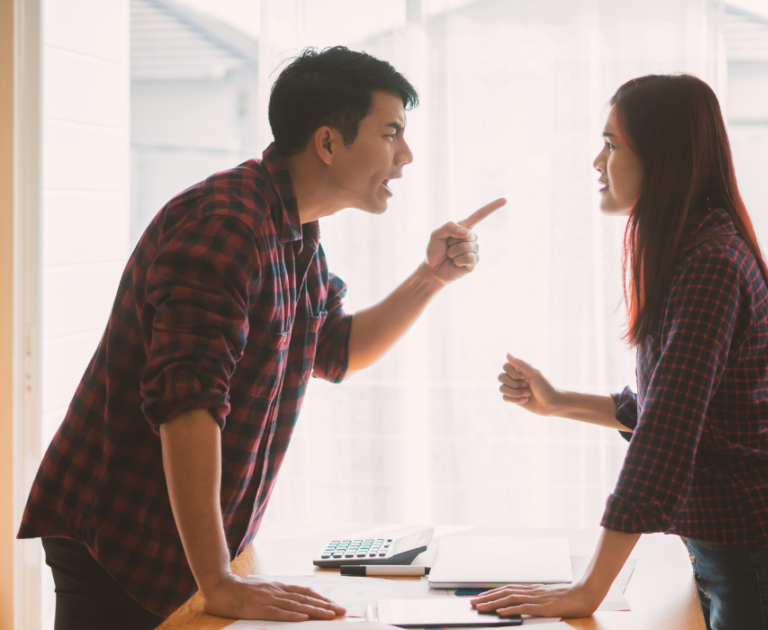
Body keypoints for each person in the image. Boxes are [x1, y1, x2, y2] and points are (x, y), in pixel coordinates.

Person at [19, 46, 505, 629]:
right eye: (391, 132)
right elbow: (186, 403)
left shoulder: (294, 230)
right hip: (122, 536)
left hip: (188, 545)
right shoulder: (228, 223)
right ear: (328, 143)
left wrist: (431, 279)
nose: (405, 155)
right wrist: (220, 580)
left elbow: (338, 350)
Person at [473, 74, 768, 630]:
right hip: (746, 549)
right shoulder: (693, 252)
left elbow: (667, 436)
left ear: (664, 157)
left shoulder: (710, 265)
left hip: (765, 552)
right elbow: (677, 404)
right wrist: (557, 402)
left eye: (612, 144)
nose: (596, 162)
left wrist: (587, 590)